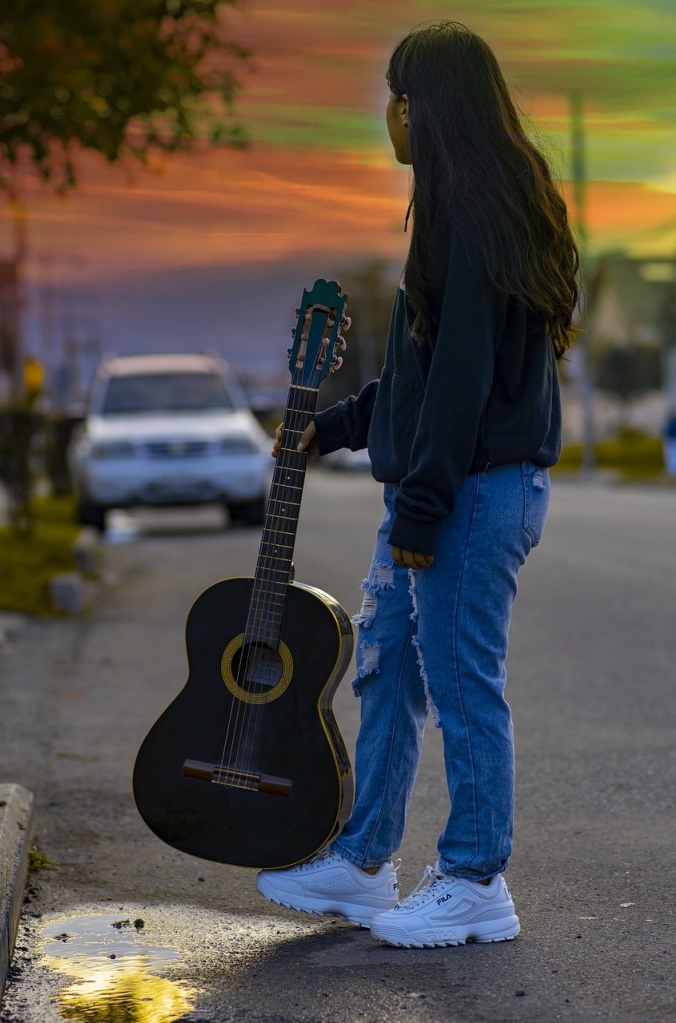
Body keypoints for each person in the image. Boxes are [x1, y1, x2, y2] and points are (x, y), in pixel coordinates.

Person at [257, 20, 579, 949]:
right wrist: (336, 426)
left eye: (392, 102)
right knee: (388, 665)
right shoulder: (461, 206)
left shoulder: (476, 213)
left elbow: (464, 380)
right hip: (442, 486)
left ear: (418, 107)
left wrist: (423, 511)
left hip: (470, 492)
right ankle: (364, 862)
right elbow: (423, 370)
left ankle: (476, 879)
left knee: (463, 681)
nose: (387, 120)